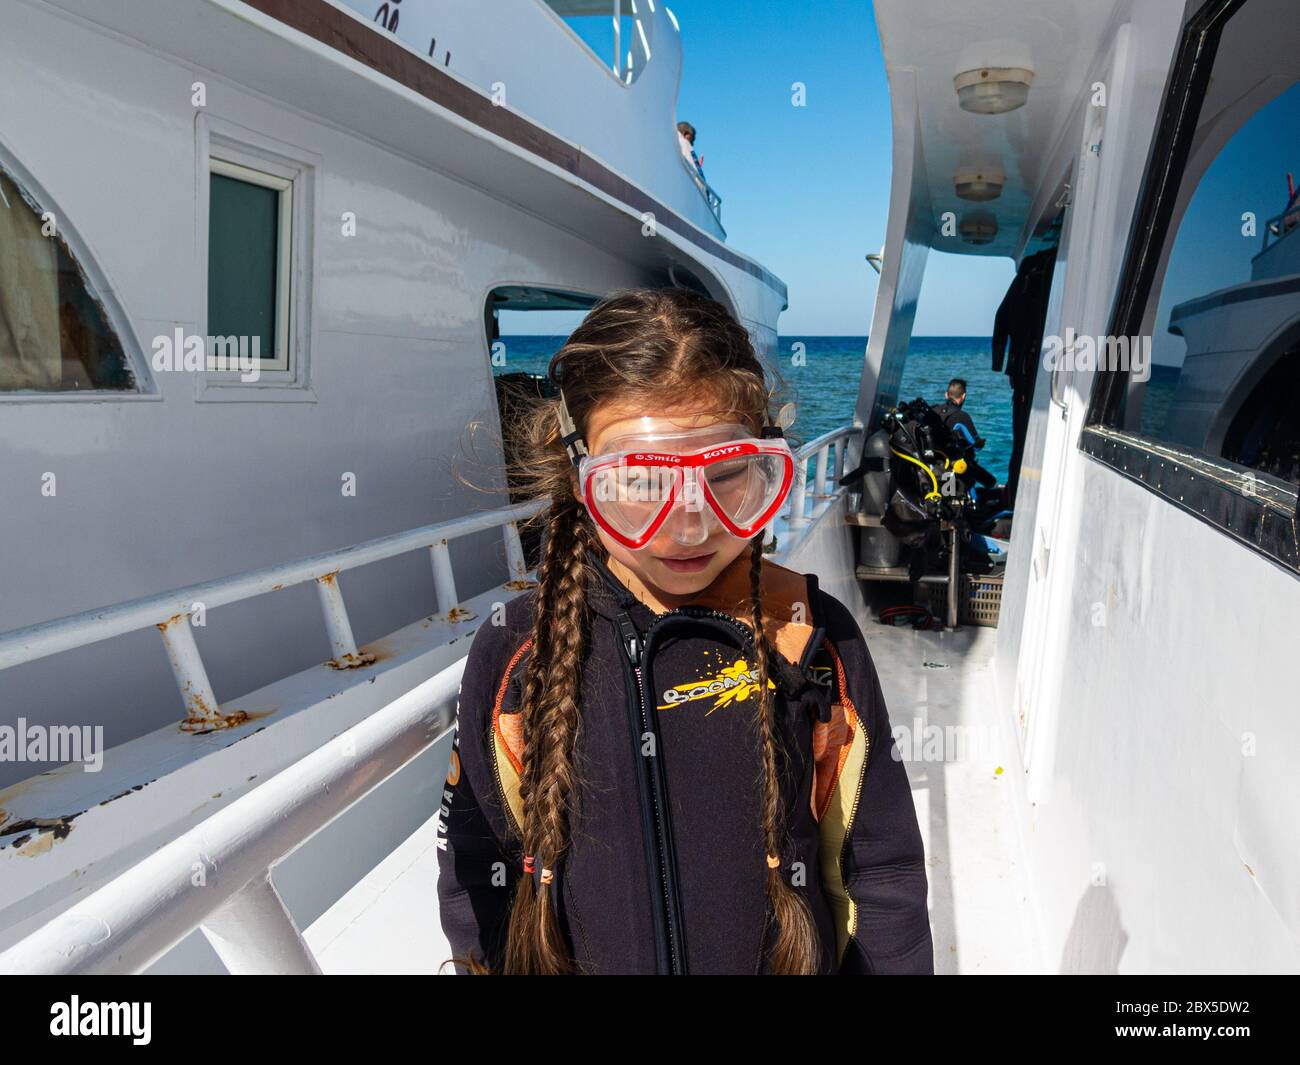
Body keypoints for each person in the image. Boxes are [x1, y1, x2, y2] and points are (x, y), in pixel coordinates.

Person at [436, 287, 933, 975]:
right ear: (577, 475)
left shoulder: (810, 637)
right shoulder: (517, 651)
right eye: (639, 482)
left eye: (727, 474)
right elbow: (476, 867)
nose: (689, 524)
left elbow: (882, 870)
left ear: (764, 459)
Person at [934, 378, 997, 494]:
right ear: (963, 396)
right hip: (954, 468)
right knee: (989, 481)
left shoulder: (933, 410)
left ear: (946, 395)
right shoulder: (961, 416)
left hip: (933, 465)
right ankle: (974, 506)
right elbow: (976, 446)